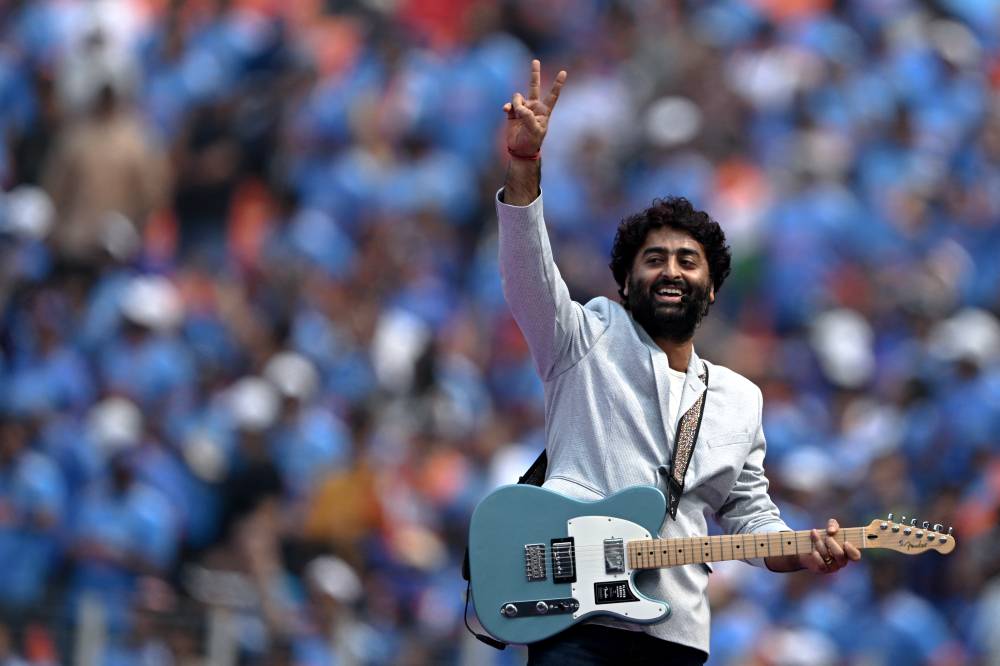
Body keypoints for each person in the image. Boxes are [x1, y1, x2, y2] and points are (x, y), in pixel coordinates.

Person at [495, 59, 862, 665]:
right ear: (625, 281)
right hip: (574, 625)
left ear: (712, 289)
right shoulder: (584, 338)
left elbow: (749, 521)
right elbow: (526, 277)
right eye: (654, 258)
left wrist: (800, 550)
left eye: (688, 262)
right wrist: (525, 168)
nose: (671, 270)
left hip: (675, 636)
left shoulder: (740, 400)